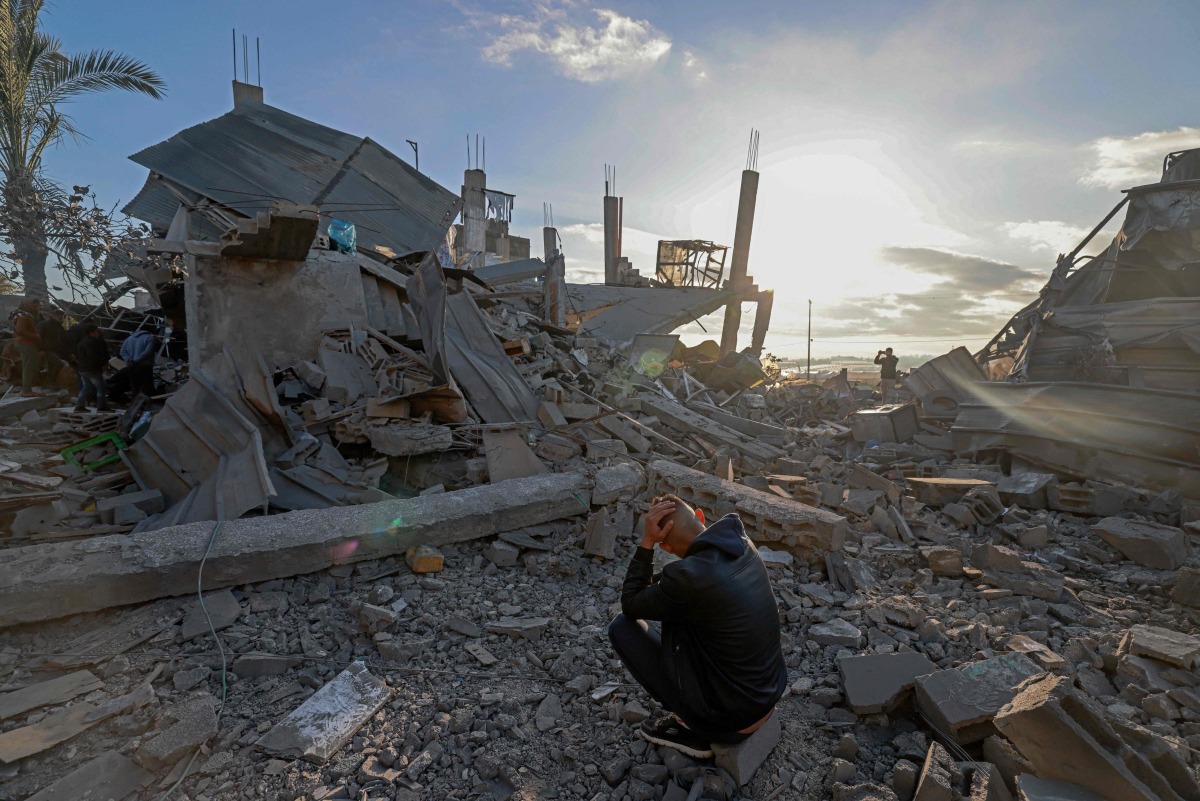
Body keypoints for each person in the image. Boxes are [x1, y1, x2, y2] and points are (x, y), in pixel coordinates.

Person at [608, 494, 787, 758]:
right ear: (701, 517)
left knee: (621, 628)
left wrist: (646, 542)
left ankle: (694, 729)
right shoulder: (741, 542)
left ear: (665, 548)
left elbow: (631, 604)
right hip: (766, 697)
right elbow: (670, 586)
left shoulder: (688, 579)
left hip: (731, 722)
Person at [74, 324, 110, 412]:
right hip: (92, 369)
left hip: (82, 368)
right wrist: (103, 364)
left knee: (86, 386)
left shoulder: (81, 342)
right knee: (100, 387)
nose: (98, 333)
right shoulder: (93, 343)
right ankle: (101, 406)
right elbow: (94, 357)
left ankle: (79, 406)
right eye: (97, 331)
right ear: (92, 332)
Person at [9, 298, 42, 396]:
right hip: (25, 343)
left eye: (37, 305)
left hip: (27, 343)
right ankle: (27, 391)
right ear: (28, 305)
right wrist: (36, 336)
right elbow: (21, 331)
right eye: (34, 305)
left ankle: (28, 389)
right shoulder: (23, 317)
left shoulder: (27, 316)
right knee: (28, 367)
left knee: (30, 366)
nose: (36, 307)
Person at [119, 329, 157, 399]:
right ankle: (147, 405)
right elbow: (148, 352)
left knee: (135, 386)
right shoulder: (150, 337)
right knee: (146, 387)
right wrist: (136, 360)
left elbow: (122, 351)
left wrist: (129, 360)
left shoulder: (128, 339)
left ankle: (136, 404)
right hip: (146, 365)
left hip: (132, 366)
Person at [35, 307, 67, 387]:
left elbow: (63, 339)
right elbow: (38, 337)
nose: (61, 319)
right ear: (54, 316)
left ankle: (48, 383)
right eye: (60, 317)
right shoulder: (44, 324)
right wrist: (40, 349)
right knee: (59, 364)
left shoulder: (59, 327)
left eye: (62, 317)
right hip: (46, 349)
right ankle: (49, 382)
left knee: (52, 366)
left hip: (55, 350)